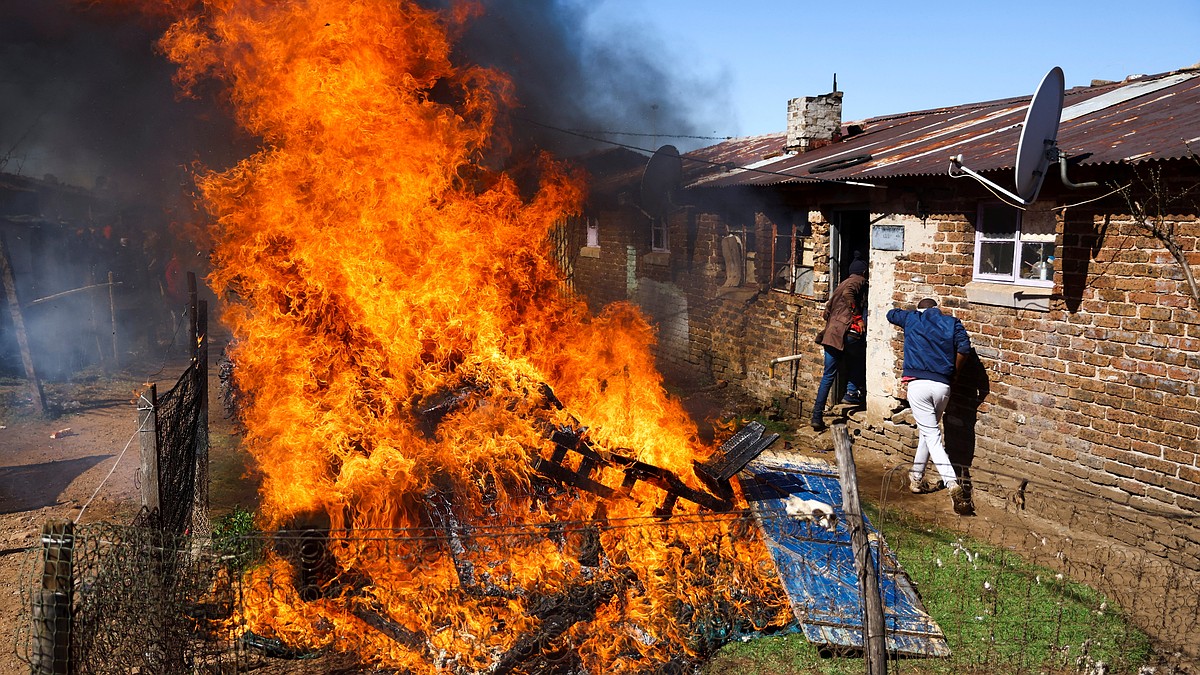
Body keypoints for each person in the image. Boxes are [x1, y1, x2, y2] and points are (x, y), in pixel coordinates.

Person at [886, 297, 975, 515]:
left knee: (933, 436)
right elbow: (964, 348)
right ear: (938, 309)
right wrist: (954, 373)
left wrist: (911, 315)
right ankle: (916, 478)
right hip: (943, 386)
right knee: (928, 432)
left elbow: (891, 314)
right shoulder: (952, 323)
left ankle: (953, 484)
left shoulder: (911, 318)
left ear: (920, 309)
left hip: (918, 385)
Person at [811, 252, 868, 431]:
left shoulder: (841, 283)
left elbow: (826, 312)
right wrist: (857, 317)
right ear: (864, 272)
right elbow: (849, 294)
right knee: (860, 357)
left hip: (831, 334)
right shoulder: (857, 281)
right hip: (846, 333)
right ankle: (851, 392)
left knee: (828, 376)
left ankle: (816, 416)